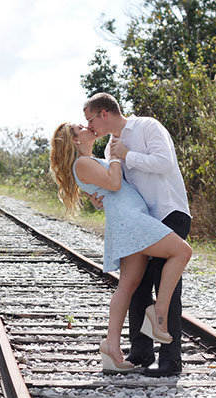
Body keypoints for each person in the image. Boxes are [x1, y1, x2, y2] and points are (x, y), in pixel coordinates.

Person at [50, 122, 192, 373]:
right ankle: (158, 312)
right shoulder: (82, 163)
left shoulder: (89, 160)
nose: (87, 127)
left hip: (130, 218)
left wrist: (99, 194)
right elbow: (115, 184)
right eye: (81, 126)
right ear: (75, 140)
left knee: (128, 284)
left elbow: (110, 187)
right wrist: (116, 156)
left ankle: (112, 347)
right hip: (131, 220)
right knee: (182, 251)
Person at [84, 92, 191, 377]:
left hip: (169, 212)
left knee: (165, 285)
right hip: (141, 222)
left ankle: (171, 360)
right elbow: (118, 185)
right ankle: (141, 351)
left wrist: (128, 156)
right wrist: (101, 196)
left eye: (91, 120)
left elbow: (164, 163)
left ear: (104, 113)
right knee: (138, 285)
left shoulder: (147, 127)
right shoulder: (109, 149)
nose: (90, 127)